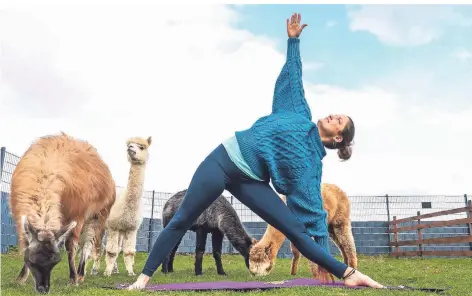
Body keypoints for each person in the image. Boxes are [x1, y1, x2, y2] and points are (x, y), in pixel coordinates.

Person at [127, 13, 384, 290]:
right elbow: (293, 79)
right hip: (222, 161)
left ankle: (349, 274)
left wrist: (323, 258)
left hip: (249, 180)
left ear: (336, 138)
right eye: (336, 114)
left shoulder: (311, 165)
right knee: (181, 219)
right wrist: (293, 42)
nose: (334, 116)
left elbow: (313, 212)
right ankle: (142, 280)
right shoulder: (298, 113)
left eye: (339, 121)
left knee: (295, 229)